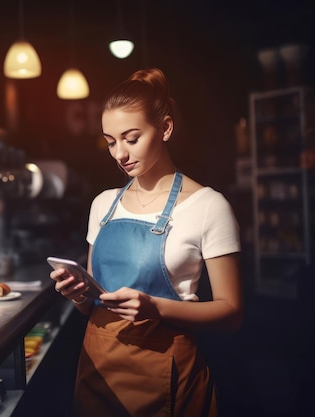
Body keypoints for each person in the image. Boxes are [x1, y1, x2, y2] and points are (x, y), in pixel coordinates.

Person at [50, 68, 243, 417]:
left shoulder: (208, 206)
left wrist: (156, 308)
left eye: (131, 138)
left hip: (166, 373)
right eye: (110, 141)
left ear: (166, 128)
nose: (119, 153)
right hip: (97, 369)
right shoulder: (102, 204)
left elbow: (232, 313)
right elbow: (93, 303)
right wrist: (78, 292)